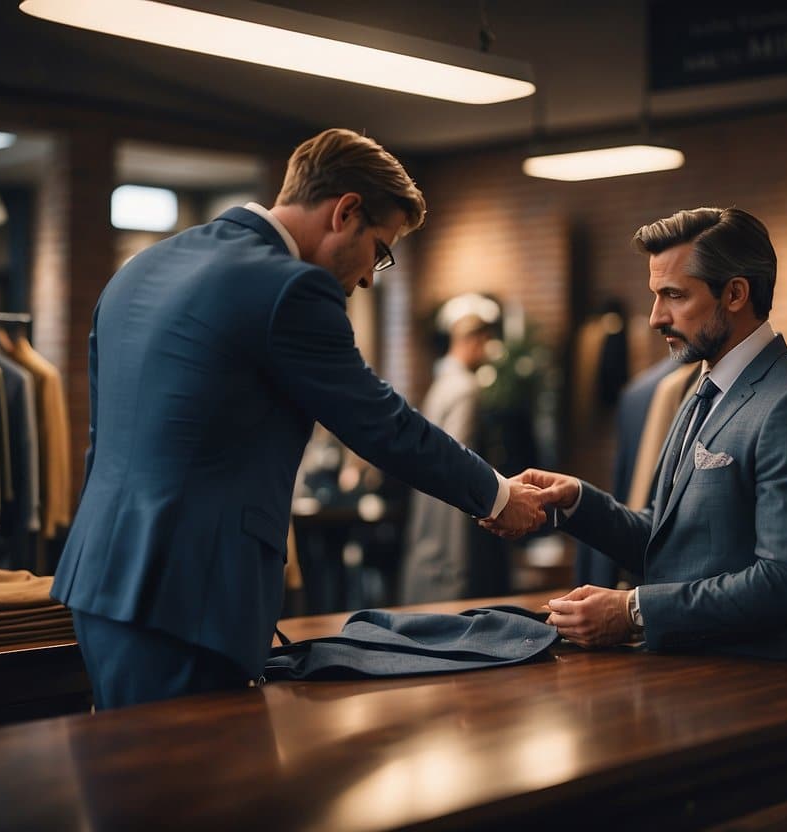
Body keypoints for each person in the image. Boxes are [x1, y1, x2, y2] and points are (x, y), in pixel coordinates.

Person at [51, 128, 546, 709]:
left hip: (100, 576)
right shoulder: (291, 288)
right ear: (346, 212)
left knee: (126, 780)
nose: (367, 277)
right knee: (191, 792)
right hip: (192, 593)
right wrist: (495, 494)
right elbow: (380, 422)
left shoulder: (143, 266)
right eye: (380, 250)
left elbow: (102, 433)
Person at [490, 207, 787, 664]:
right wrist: (578, 501)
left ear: (735, 293)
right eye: (655, 296)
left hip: (751, 694)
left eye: (674, 295)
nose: (655, 318)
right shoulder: (701, 389)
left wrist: (633, 610)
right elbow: (666, 539)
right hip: (679, 680)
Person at [400, 309, 494, 603]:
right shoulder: (465, 387)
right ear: (473, 342)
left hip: (431, 492)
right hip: (451, 503)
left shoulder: (442, 382)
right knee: (451, 568)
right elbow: (459, 454)